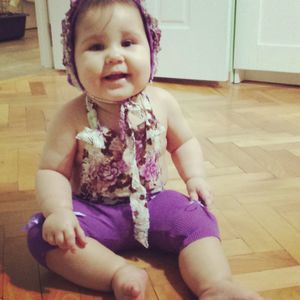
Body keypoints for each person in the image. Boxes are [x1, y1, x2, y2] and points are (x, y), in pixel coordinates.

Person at [26, 0, 263, 299]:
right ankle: (115, 271)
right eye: (96, 47)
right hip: (94, 211)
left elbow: (184, 143)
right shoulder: (70, 116)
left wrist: (194, 177)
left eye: (128, 42)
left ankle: (215, 284)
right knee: (42, 234)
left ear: (151, 50)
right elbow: (52, 170)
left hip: (155, 202)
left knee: (197, 218)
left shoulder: (162, 102)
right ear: (72, 60)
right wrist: (59, 211)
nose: (114, 56)